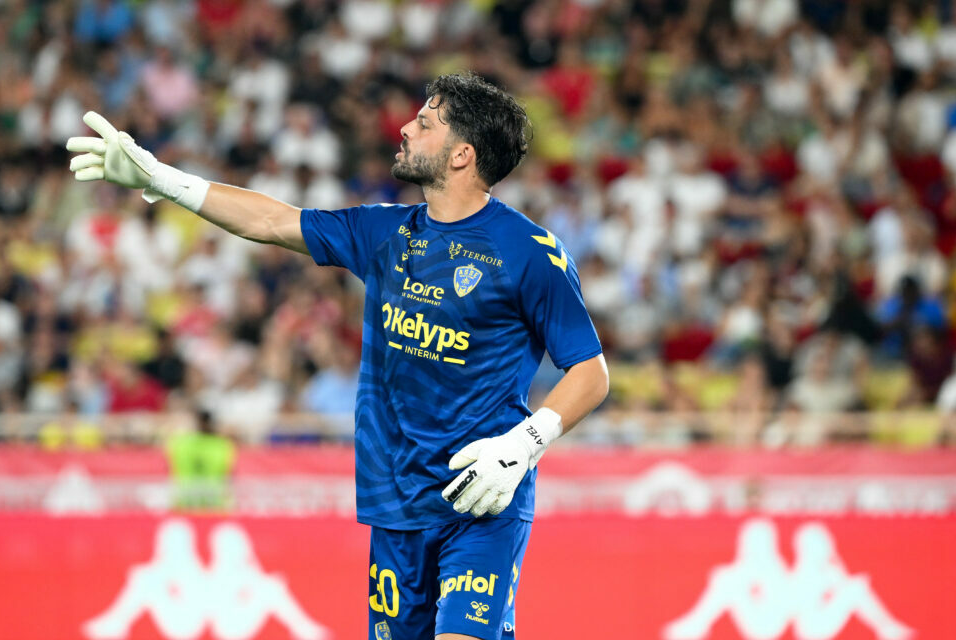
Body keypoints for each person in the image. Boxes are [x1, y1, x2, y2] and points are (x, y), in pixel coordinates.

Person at [66, 72, 609, 640]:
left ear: (461, 156)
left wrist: (522, 447)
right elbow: (272, 221)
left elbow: (590, 371)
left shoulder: (529, 253)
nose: (404, 128)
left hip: (480, 499)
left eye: (424, 124)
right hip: (394, 503)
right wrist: (159, 178)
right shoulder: (386, 232)